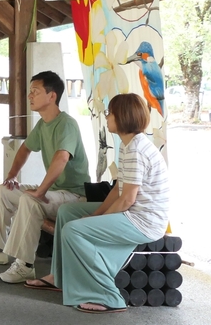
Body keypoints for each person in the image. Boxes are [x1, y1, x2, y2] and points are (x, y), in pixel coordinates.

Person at [25, 93, 170, 314]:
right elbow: (117, 190)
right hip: (133, 212)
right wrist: (95, 215)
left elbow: (127, 199)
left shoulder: (136, 150)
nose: (107, 116)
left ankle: (109, 297)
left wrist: (96, 219)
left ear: (122, 117)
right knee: (67, 212)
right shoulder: (129, 146)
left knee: (74, 230)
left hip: (142, 221)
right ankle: (59, 277)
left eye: (110, 112)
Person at [0, 71, 91, 284]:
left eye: (35, 91)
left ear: (52, 96)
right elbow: (24, 149)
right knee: (5, 191)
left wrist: (40, 191)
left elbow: (61, 158)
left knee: (30, 200)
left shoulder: (67, 124)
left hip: (75, 196)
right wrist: (12, 176)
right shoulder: (43, 124)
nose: (29, 96)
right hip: (56, 192)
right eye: (30, 91)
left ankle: (25, 265)